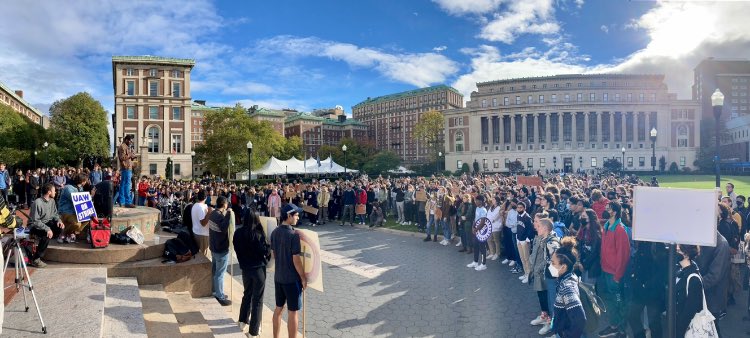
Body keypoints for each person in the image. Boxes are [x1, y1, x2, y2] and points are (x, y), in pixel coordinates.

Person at [271, 204, 307, 338]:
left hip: (278, 277)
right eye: (296, 215)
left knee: (278, 308)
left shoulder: (275, 232)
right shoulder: (293, 235)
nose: (298, 217)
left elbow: (274, 254)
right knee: (293, 312)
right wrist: (303, 278)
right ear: (289, 216)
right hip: (291, 279)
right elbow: (296, 260)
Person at [235, 211, 271, 337]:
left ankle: (242, 321)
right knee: (257, 300)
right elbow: (266, 251)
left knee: (247, 294)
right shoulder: (258, 234)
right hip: (258, 270)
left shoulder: (238, 232)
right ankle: (254, 331)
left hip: (245, 269)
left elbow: (236, 248)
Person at [598, 201, 630, 338]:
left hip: (614, 274)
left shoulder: (620, 230)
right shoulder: (606, 226)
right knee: (612, 300)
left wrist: (618, 275)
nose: (605, 210)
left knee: (618, 301)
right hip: (606, 270)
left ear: (614, 212)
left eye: (608, 209)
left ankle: (621, 328)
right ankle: (614, 325)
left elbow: (623, 255)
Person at [528, 216, 559, 335]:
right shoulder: (542, 238)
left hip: (551, 277)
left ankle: (552, 325)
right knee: (546, 299)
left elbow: (554, 259)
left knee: (552, 302)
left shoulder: (551, 241)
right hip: (545, 274)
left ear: (545, 228)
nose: (536, 227)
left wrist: (540, 268)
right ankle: (549, 320)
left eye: (539, 225)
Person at [550, 236, 586, 338]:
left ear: (564, 267)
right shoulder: (568, 276)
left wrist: (567, 335)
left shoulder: (567, 288)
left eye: (553, 263)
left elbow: (580, 319)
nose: (550, 266)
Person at [27, 183, 65, 268]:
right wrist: (47, 229)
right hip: (34, 225)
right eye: (54, 191)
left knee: (60, 227)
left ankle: (44, 237)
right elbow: (35, 221)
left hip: (47, 222)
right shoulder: (37, 203)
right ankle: (36, 259)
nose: (56, 192)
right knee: (46, 235)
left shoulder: (52, 201)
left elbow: (55, 214)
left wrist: (59, 221)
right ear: (49, 192)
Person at [675, 244, 707, 337]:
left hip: (686, 330)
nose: (675, 250)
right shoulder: (682, 271)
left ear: (686, 254)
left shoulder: (693, 278)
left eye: (678, 250)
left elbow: (689, 312)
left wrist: (679, 333)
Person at [207, 196, 233, 306]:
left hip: (214, 247)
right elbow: (223, 228)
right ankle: (220, 296)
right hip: (221, 249)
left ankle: (215, 291)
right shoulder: (219, 215)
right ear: (224, 204)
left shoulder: (212, 213)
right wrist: (228, 214)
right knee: (220, 274)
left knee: (215, 271)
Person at [56, 173, 90, 243]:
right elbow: (76, 199)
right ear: (83, 181)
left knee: (88, 218)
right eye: (85, 180)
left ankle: (72, 232)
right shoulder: (68, 188)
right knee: (77, 224)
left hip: (74, 213)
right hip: (65, 212)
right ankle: (63, 234)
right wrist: (90, 196)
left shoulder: (80, 188)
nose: (86, 182)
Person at [467, 195, 488, 271]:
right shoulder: (477, 208)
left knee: (482, 248)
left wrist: (476, 229)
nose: (475, 202)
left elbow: (482, 222)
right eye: (475, 200)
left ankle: (483, 264)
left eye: (477, 200)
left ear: (481, 201)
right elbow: (475, 219)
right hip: (476, 230)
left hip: (482, 232)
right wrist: (473, 227)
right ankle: (475, 262)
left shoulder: (483, 210)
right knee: (475, 246)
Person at [191, 190, 214, 257]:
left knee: (200, 255)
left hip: (197, 232)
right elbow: (203, 223)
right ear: (206, 197)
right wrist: (209, 213)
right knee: (204, 256)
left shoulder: (195, 205)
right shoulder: (201, 207)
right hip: (202, 234)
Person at [117, 135, 137, 208]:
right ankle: (127, 202)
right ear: (126, 140)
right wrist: (130, 155)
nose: (131, 142)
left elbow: (127, 158)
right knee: (126, 185)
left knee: (123, 184)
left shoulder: (127, 147)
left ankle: (122, 202)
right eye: (130, 140)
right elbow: (122, 158)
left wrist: (132, 156)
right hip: (126, 168)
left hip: (128, 167)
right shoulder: (122, 146)